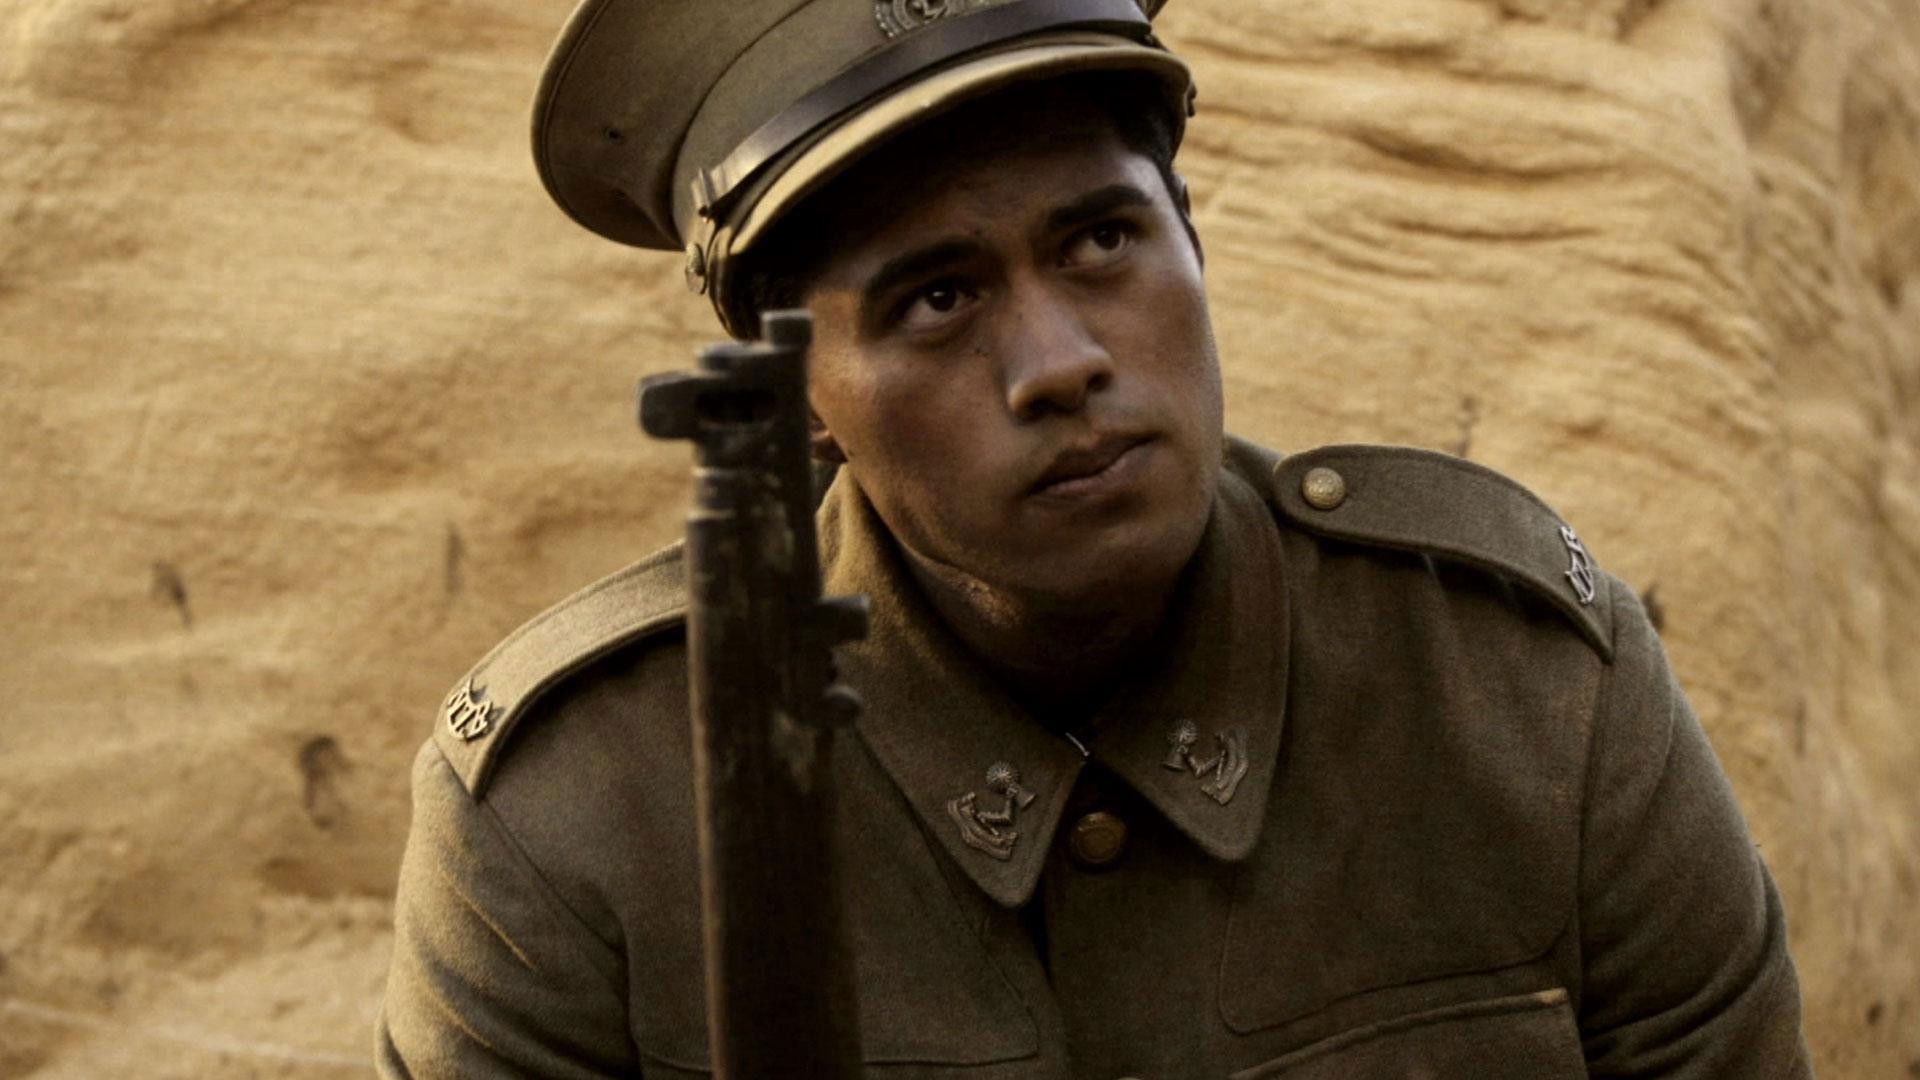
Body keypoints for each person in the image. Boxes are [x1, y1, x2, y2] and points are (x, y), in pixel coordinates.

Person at [376, 1, 1812, 1076]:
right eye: (937, 299)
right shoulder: (576, 825)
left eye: (1101, 242)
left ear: (1191, 234)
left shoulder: (1526, 691)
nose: (1061, 363)